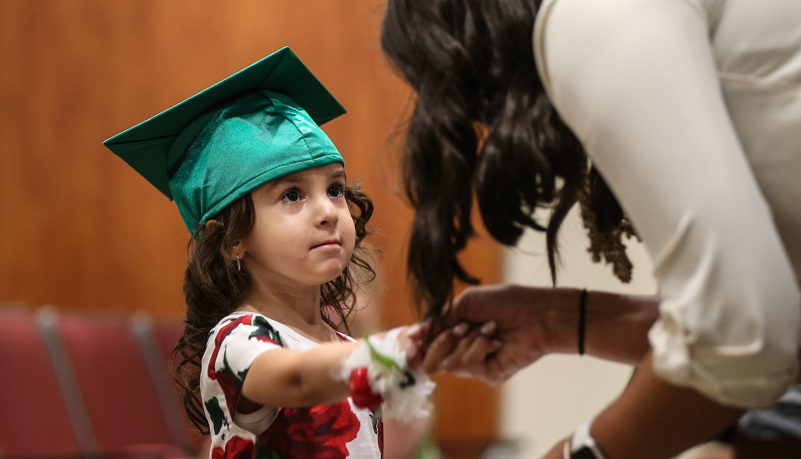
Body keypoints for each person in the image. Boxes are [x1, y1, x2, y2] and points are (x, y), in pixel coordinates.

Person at [380, 1, 801, 458]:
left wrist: (579, 453)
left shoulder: (592, 15)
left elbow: (741, 337)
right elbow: (772, 329)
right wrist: (555, 321)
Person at [102, 47, 472, 458]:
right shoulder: (236, 340)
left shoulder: (345, 345)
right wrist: (405, 347)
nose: (328, 212)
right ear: (232, 239)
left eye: (334, 189)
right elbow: (298, 380)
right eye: (293, 195)